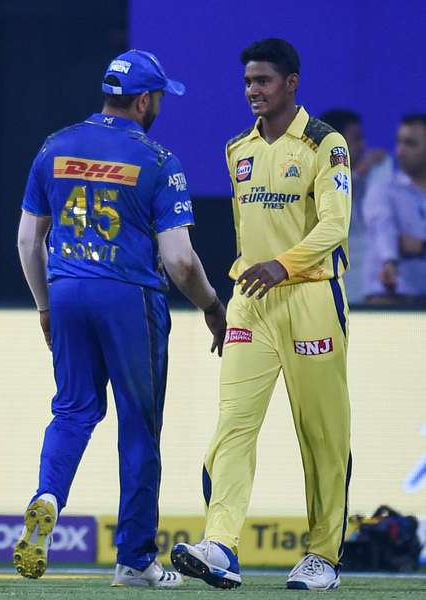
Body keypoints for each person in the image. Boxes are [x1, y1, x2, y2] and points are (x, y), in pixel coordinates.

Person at [14, 49, 227, 588]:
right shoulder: (158, 161)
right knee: (138, 425)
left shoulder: (54, 146)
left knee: (73, 409)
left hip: (66, 291)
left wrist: (44, 303)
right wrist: (212, 306)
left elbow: (27, 240)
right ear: (144, 100)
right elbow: (179, 260)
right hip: (129, 298)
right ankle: (134, 560)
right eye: (158, 98)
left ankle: (47, 495)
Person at [171, 39, 352, 591]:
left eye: (264, 81)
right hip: (251, 298)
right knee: (233, 424)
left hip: (313, 297)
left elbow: (335, 225)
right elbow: (248, 230)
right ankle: (220, 544)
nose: (253, 91)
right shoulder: (237, 149)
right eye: (248, 82)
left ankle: (323, 555)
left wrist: (284, 265)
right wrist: (240, 292)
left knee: (321, 432)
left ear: (291, 83)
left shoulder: (326, 144)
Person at [319, 109, 393, 304]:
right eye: (356, 139)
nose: (363, 146)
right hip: (337, 283)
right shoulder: (314, 175)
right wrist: (361, 170)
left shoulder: (372, 174)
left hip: (371, 281)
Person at [364, 114, 426, 304]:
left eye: (410, 144)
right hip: (390, 298)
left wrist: (421, 247)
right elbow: (383, 227)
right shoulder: (383, 189)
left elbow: (413, 245)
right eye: (399, 142)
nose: (400, 151)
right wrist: (390, 261)